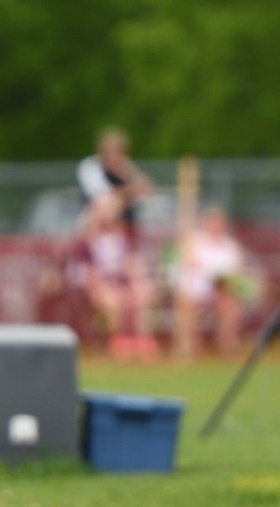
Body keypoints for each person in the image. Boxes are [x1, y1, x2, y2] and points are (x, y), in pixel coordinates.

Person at [75, 193, 157, 360]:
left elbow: (130, 262)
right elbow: (90, 269)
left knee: (138, 296)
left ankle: (139, 337)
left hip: (120, 279)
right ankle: (117, 338)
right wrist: (103, 284)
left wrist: (135, 283)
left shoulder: (122, 234)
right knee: (113, 301)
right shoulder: (88, 237)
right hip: (98, 281)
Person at [172, 206, 248, 359]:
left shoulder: (230, 245)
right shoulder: (193, 240)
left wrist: (223, 280)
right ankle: (188, 344)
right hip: (195, 286)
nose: (215, 226)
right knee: (186, 301)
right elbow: (187, 262)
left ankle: (226, 342)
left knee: (231, 303)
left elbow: (238, 270)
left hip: (221, 288)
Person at [76, 128, 152, 238]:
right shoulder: (90, 167)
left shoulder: (124, 168)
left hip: (125, 223)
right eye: (111, 153)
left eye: (119, 153)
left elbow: (147, 189)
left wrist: (128, 173)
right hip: (96, 221)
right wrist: (128, 191)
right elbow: (104, 198)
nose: (115, 157)